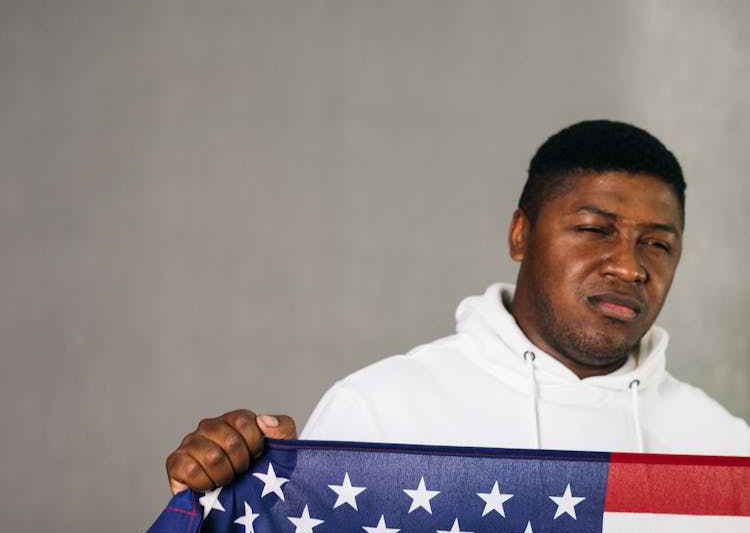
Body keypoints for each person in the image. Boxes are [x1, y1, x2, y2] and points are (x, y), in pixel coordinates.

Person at [166, 119, 749, 492]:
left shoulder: (725, 451)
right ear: (521, 235)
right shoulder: (380, 415)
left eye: (658, 244)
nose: (629, 266)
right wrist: (225, 488)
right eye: (595, 229)